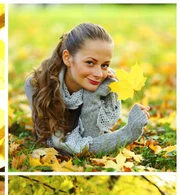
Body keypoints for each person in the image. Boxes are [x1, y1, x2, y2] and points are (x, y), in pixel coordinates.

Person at [24, 22, 149, 155]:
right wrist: (128, 132)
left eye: (105, 65)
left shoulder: (106, 85)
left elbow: (92, 137)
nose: (99, 74)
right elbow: (66, 148)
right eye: (90, 63)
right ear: (67, 58)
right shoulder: (37, 86)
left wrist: (93, 95)